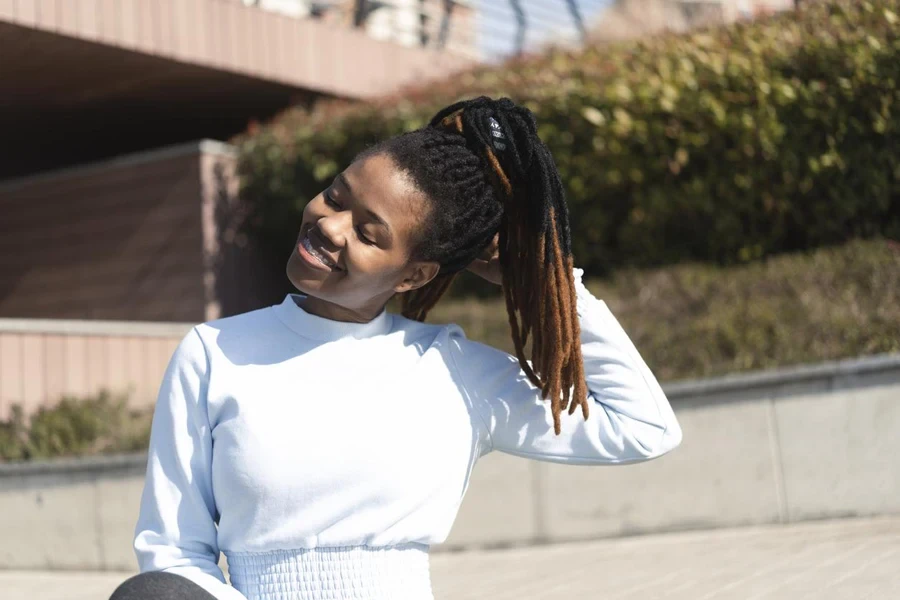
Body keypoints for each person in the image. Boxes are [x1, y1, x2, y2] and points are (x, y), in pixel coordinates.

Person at [111, 96, 682, 600]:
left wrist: (546, 283)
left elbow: (641, 426)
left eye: (368, 233)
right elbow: (173, 556)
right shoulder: (214, 352)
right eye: (335, 196)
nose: (330, 226)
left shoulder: (452, 371)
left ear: (414, 275)